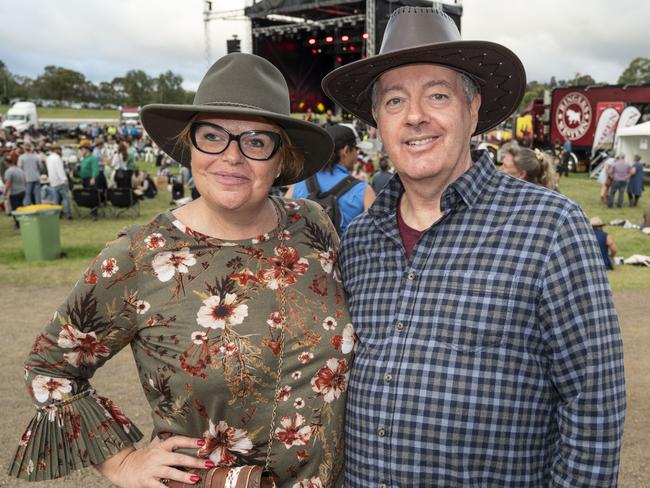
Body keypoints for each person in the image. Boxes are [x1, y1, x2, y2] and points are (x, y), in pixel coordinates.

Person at [10, 53, 352, 488]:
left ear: (281, 158)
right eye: (212, 136)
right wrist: (124, 462)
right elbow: (50, 366)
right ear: (190, 145)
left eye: (256, 141)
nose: (232, 156)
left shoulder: (313, 224)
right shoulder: (141, 254)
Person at [321, 6, 625, 486]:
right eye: (395, 101)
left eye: (437, 95)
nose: (415, 116)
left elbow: (594, 409)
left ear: (473, 107)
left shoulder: (549, 227)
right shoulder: (358, 240)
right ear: (378, 120)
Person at [287, 124, 376, 234]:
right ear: (346, 150)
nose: (357, 155)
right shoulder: (364, 191)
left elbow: (283, 222)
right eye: (356, 150)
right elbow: (373, 235)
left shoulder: (298, 185)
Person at [45, 143, 72, 219]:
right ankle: (68, 214)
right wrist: (64, 179)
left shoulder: (48, 158)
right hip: (60, 181)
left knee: (56, 199)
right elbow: (60, 170)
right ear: (56, 150)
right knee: (66, 198)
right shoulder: (57, 158)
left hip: (53, 181)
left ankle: (57, 213)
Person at [3, 153, 26, 228]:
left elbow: (8, 183)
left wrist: (5, 192)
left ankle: (18, 224)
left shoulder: (9, 171)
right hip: (22, 190)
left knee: (15, 209)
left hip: (14, 192)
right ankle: (23, 220)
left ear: (6, 162)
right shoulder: (19, 169)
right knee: (22, 207)